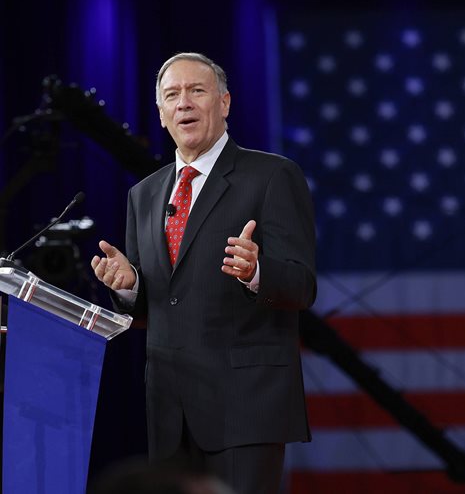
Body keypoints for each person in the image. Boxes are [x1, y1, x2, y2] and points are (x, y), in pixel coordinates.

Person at [90, 52, 316, 494]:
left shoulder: (272, 175)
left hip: (245, 406)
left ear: (225, 102)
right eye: (172, 95)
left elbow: (302, 285)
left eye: (197, 91)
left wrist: (256, 272)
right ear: (160, 114)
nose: (184, 104)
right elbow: (159, 300)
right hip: (170, 410)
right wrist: (131, 286)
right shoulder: (145, 194)